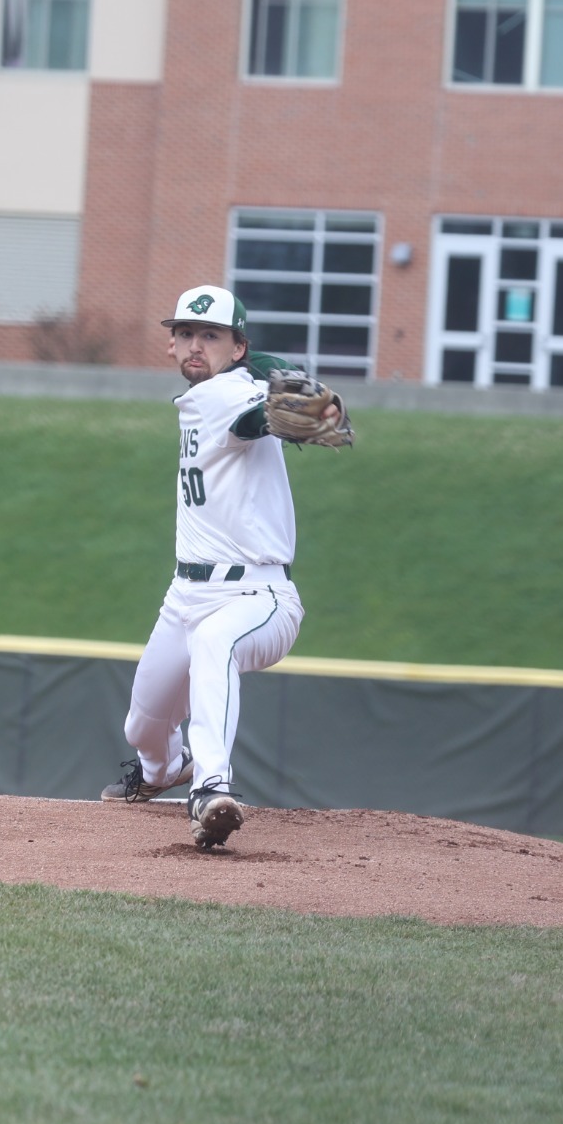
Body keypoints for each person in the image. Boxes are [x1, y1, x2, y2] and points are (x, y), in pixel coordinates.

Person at [100, 284, 347, 849]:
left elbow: (252, 418)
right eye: (186, 334)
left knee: (215, 645)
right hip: (184, 595)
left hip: (257, 599)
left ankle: (210, 789)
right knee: (142, 727)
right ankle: (164, 771)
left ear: (237, 349)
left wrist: (284, 407)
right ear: (169, 346)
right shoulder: (216, 384)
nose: (195, 345)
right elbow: (263, 377)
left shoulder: (227, 395)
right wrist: (275, 370)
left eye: (211, 336)